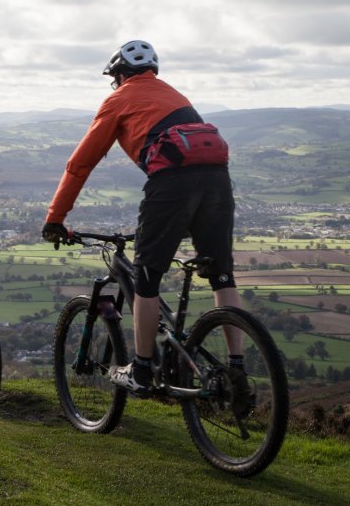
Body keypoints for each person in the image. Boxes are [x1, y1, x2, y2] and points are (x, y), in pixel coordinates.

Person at [42, 40, 247, 397]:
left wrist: (55, 217)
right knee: (222, 275)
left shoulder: (118, 99)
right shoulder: (175, 95)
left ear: (119, 75)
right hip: (218, 181)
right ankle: (237, 368)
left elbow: (80, 163)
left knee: (147, 279)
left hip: (172, 185)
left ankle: (140, 369)